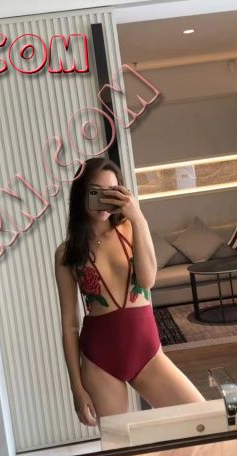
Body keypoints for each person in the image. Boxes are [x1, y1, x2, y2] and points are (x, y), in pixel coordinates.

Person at [54, 157, 206, 427]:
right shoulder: (67, 253)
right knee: (121, 445)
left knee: (202, 420)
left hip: (146, 351)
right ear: (81, 194)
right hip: (98, 359)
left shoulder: (131, 228)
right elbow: (69, 325)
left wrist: (138, 217)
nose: (104, 200)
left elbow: (147, 280)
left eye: (111, 192)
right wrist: (76, 388)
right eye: (96, 192)